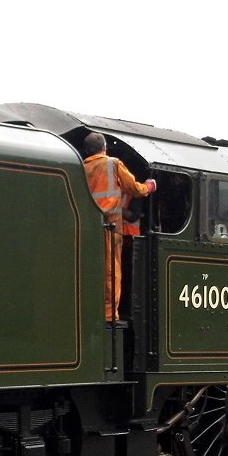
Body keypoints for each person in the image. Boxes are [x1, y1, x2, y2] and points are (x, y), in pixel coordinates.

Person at [82, 131, 156, 323]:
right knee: (111, 272)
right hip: (110, 227)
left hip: (87, 228)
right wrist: (149, 186)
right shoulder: (113, 164)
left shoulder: (81, 168)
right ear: (104, 148)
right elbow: (134, 188)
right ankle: (108, 314)